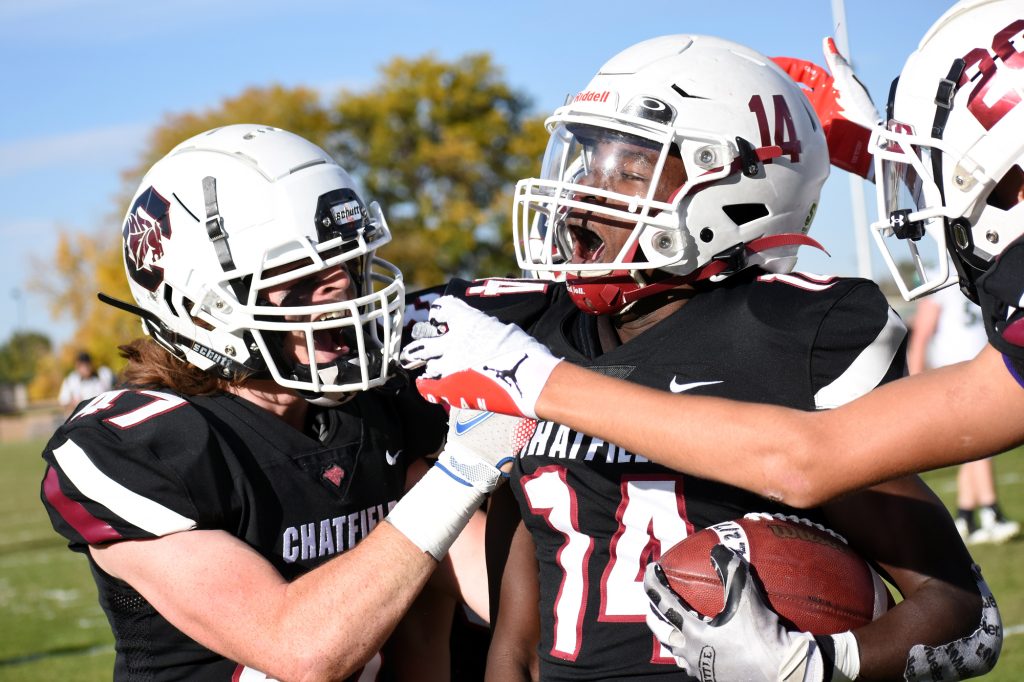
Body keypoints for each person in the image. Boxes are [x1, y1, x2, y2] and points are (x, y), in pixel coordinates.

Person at [405, 34, 992, 681]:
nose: (581, 196)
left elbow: (964, 613)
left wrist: (818, 665)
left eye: (629, 169)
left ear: (735, 188)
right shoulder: (535, 332)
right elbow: (517, 646)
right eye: (587, 162)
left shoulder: (779, 338)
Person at [38, 124, 526, 681]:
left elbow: (501, 592)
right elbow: (300, 649)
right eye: (301, 271)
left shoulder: (369, 414)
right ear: (201, 304)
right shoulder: (141, 448)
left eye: (345, 262)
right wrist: (466, 465)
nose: (341, 287)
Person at [908, 282, 1020, 544]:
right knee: (981, 443)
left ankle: (965, 517)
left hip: (982, 373)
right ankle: (992, 513)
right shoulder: (941, 278)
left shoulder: (976, 275)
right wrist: (915, 383)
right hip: (957, 376)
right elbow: (922, 332)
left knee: (974, 447)